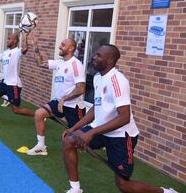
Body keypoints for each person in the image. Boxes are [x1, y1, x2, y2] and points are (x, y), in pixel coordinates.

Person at [62, 45, 178, 193]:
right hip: (100, 129)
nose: (93, 57)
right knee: (69, 141)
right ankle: (75, 189)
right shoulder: (97, 77)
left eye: (98, 55)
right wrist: (74, 128)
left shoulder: (118, 81)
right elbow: (96, 108)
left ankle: (166, 192)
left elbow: (124, 117)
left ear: (110, 60)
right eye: (94, 54)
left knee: (124, 186)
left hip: (121, 136)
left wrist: (90, 133)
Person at [27, 34, 86, 156]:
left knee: (78, 138)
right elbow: (41, 63)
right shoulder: (59, 63)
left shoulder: (76, 64)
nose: (60, 46)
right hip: (59, 102)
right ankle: (41, 146)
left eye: (63, 45)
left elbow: (81, 88)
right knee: (39, 113)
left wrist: (65, 98)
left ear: (70, 48)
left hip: (74, 106)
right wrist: (35, 46)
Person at [0, 32, 34, 124]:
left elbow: (25, 49)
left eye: (9, 38)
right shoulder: (6, 53)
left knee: (16, 110)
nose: (7, 40)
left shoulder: (17, 51)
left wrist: (25, 36)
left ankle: (37, 115)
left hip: (13, 85)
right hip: (5, 83)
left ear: (15, 41)